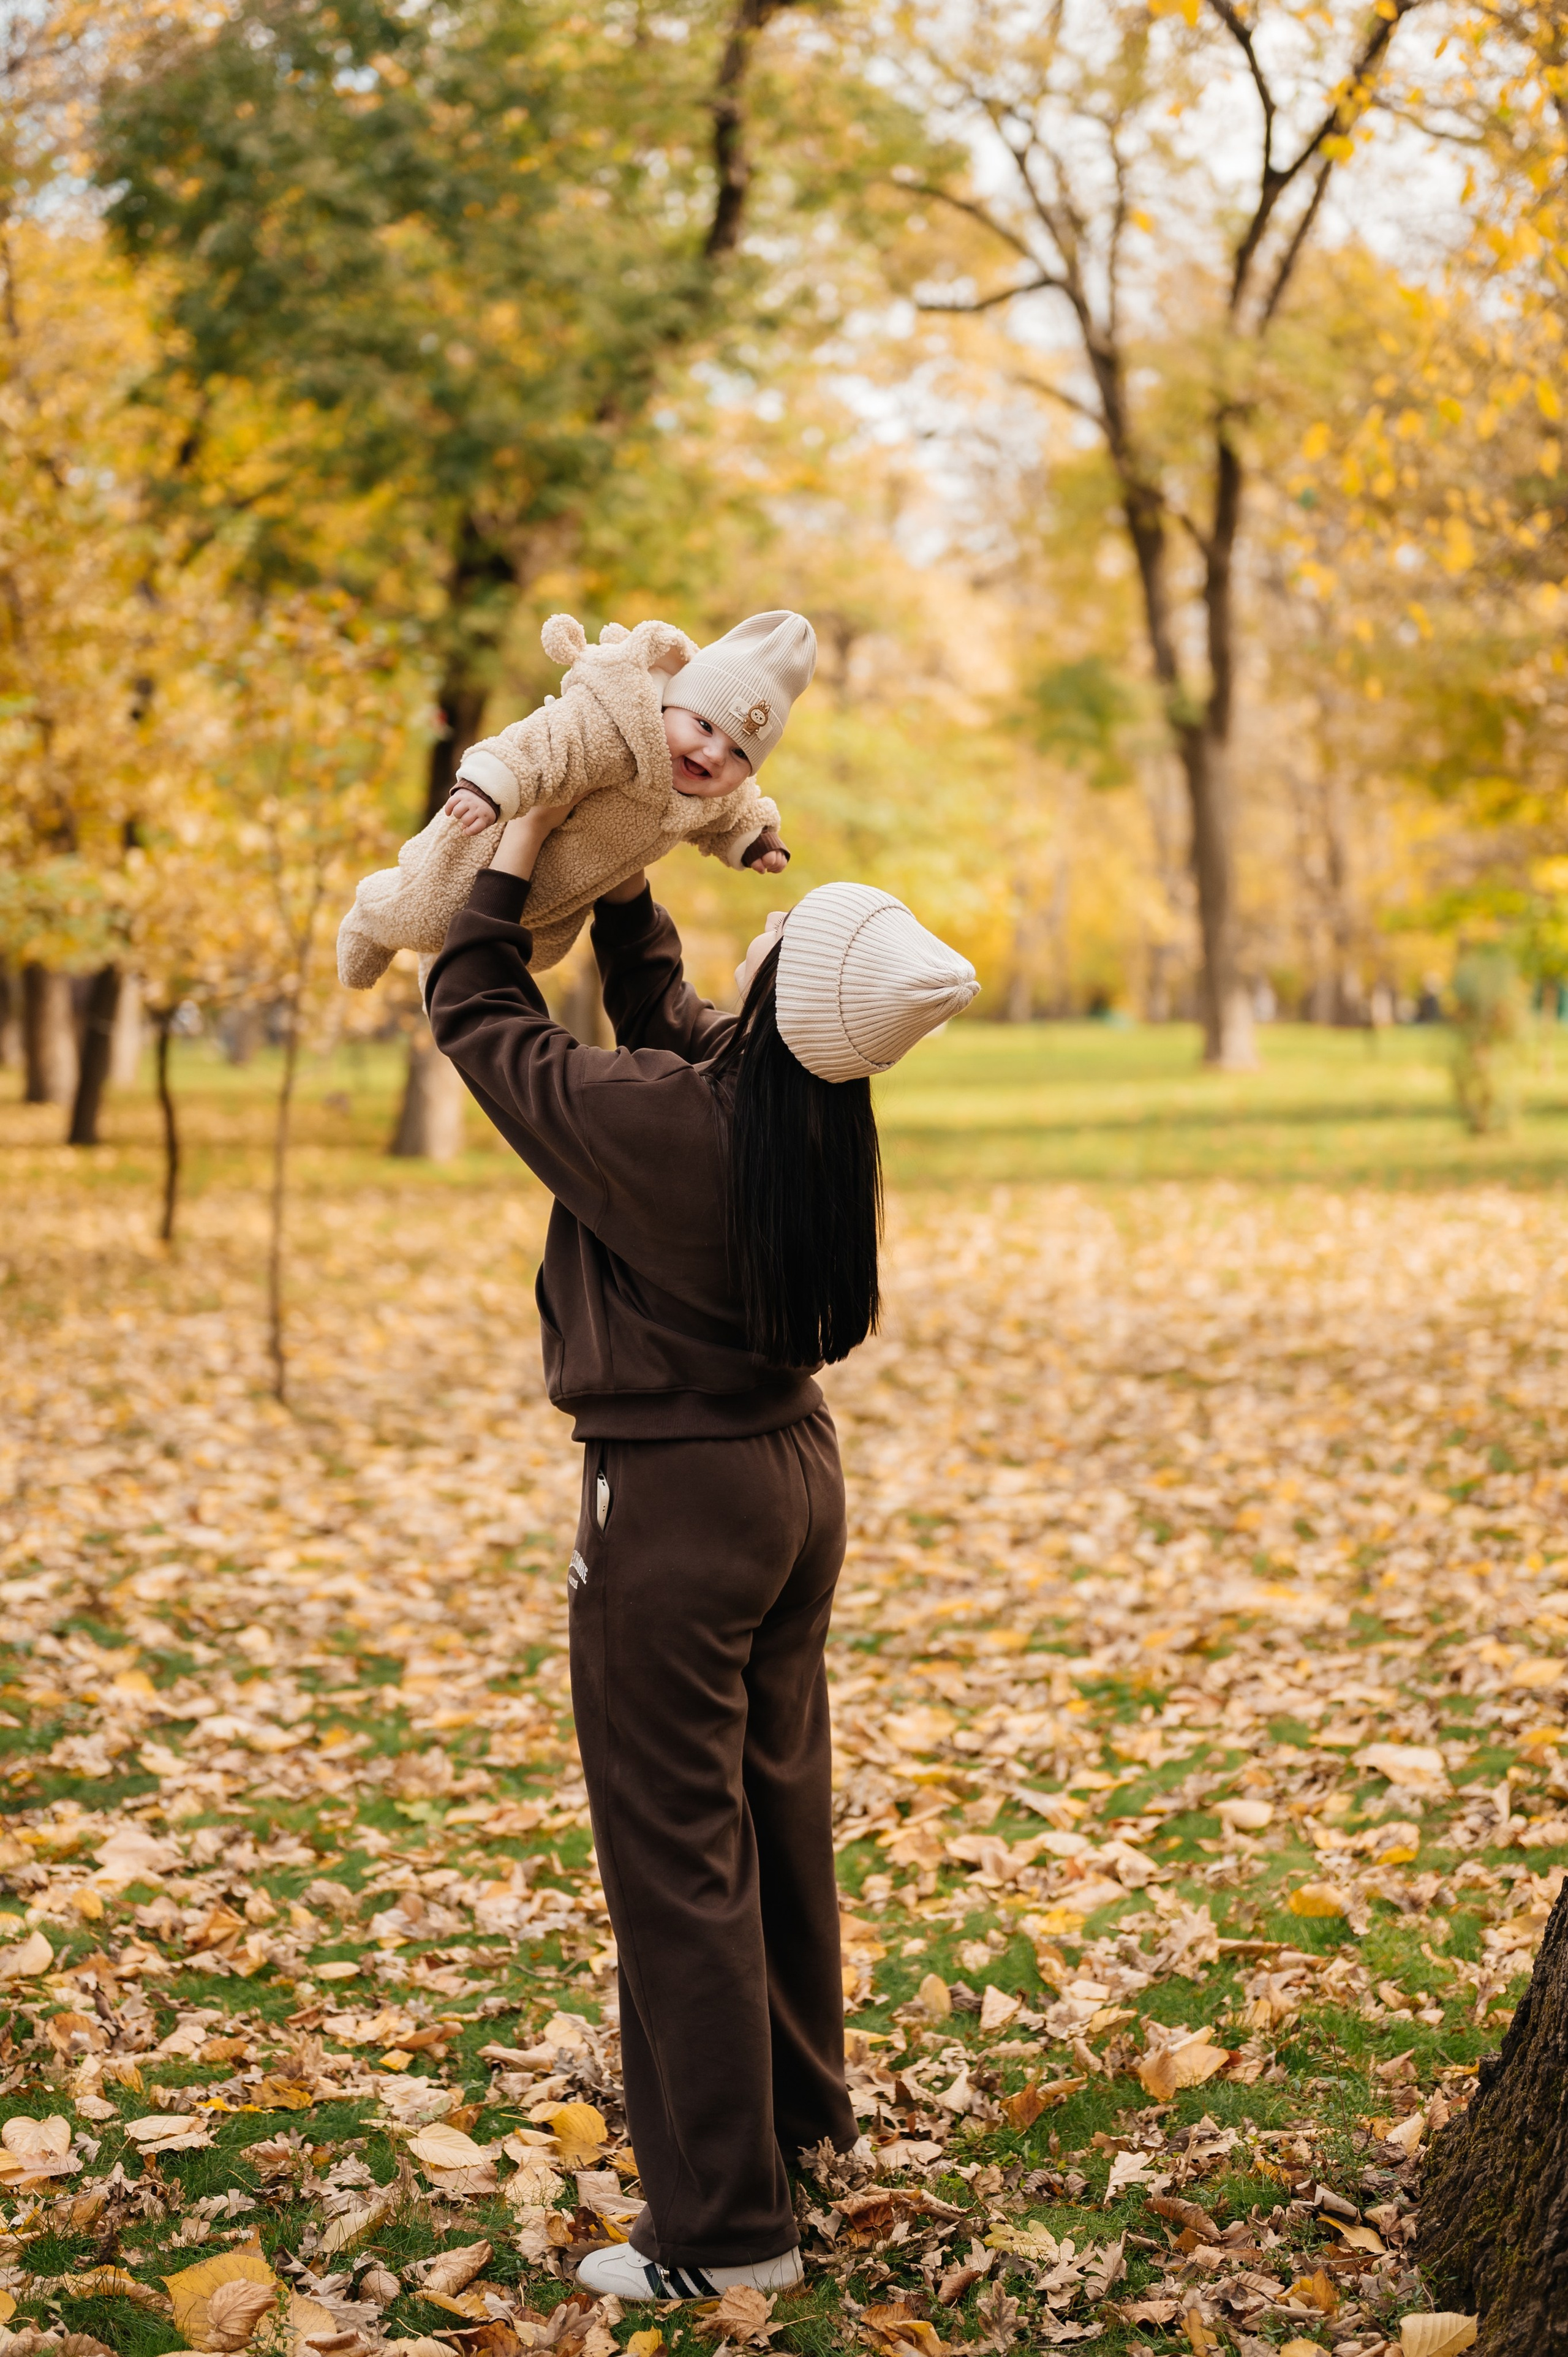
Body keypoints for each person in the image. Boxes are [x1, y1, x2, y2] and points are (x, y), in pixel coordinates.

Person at [424, 791, 979, 2302]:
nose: (755, 952)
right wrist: (632, 859)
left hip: (672, 1504)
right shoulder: (809, 1114)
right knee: (769, 1821)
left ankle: (726, 2234)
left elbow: (475, 1011)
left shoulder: (672, 1128)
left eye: (779, 945)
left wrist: (525, 837)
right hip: (792, 1486)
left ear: (791, 992)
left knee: (676, 1859)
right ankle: (795, 2120)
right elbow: (665, 1006)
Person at [336, 609, 803, 992]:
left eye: (740, 753)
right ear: (669, 704)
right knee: (425, 909)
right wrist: (489, 786)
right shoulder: (609, 728)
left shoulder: (711, 793)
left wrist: (754, 837)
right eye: (703, 727)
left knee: (526, 952)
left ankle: (441, 976)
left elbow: (734, 810)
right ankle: (368, 919)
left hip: (560, 896)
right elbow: (543, 744)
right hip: (487, 843)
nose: (714, 755)